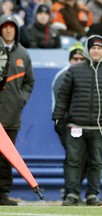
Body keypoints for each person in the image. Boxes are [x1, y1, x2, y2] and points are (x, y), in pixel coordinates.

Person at [52, 35, 102, 206]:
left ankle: (92, 195)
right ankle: (72, 194)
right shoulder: (74, 70)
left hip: (99, 127)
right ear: (88, 49)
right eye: (93, 47)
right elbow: (63, 96)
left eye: (99, 48)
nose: (96, 50)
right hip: (75, 125)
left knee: (96, 163)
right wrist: (58, 116)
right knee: (73, 161)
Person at [0, 14, 35, 205]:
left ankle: (2, 194)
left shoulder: (23, 55)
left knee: (6, 157)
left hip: (12, 116)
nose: (7, 30)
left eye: (11, 27)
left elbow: (29, 82)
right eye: (4, 26)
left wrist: (20, 100)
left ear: (16, 30)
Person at [51, 42, 86, 200]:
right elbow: (62, 102)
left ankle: (73, 190)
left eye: (80, 58)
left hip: (84, 123)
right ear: (70, 60)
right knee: (73, 157)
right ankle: (70, 192)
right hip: (66, 123)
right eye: (75, 58)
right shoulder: (63, 76)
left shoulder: (87, 75)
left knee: (84, 158)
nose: (77, 61)